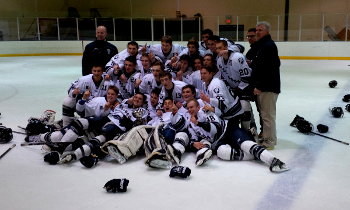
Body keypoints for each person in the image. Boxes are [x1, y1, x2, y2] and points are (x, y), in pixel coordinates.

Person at [251, 21, 281, 150]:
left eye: (260, 30)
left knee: (268, 116)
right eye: (257, 30)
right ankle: (268, 137)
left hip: (268, 88)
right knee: (265, 115)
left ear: (267, 31)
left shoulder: (268, 46)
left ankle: (269, 141)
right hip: (266, 87)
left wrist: (260, 86)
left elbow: (269, 69)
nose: (257, 32)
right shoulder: (263, 45)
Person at [215, 39, 254, 133]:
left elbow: (247, 77)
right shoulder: (219, 60)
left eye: (220, 48)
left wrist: (238, 89)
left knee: (245, 108)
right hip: (232, 88)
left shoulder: (237, 57)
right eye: (217, 49)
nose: (218, 50)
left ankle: (247, 131)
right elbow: (223, 76)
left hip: (245, 87)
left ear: (226, 47)